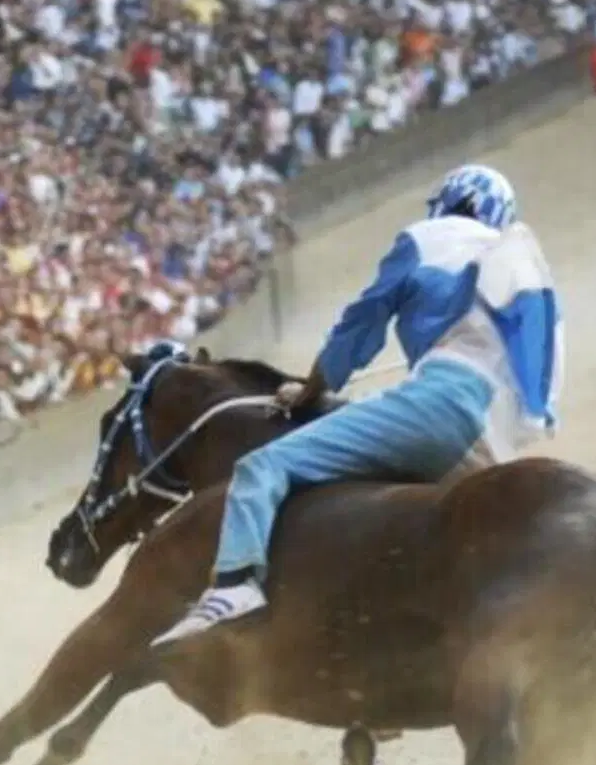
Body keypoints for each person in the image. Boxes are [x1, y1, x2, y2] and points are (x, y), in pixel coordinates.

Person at [154, 163, 562, 644]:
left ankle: (234, 586)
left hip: (440, 402)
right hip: (491, 436)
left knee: (262, 466)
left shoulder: (428, 238)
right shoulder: (516, 268)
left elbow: (362, 323)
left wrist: (312, 387)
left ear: (450, 201)